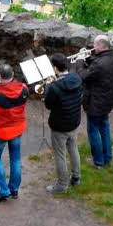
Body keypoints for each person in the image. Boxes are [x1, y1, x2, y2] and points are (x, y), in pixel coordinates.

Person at [0, 63, 29, 203]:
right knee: (15, 158)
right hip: (17, 128)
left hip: (1, 132)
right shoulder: (24, 89)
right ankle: (14, 189)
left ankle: (3, 191)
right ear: (13, 75)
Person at [43, 52, 82, 193]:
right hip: (74, 121)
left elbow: (48, 104)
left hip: (60, 126)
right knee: (73, 149)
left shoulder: (54, 87)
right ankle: (76, 177)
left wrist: (48, 85)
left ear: (54, 68)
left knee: (60, 155)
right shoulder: (76, 78)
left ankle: (61, 185)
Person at [80, 35, 113, 169]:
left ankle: (98, 161)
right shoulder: (112, 58)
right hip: (107, 100)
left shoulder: (99, 63)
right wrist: (87, 58)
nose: (93, 48)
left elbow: (84, 76)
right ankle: (107, 158)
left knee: (93, 130)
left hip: (95, 102)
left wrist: (80, 62)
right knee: (104, 128)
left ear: (101, 46)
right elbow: (97, 66)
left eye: (95, 45)